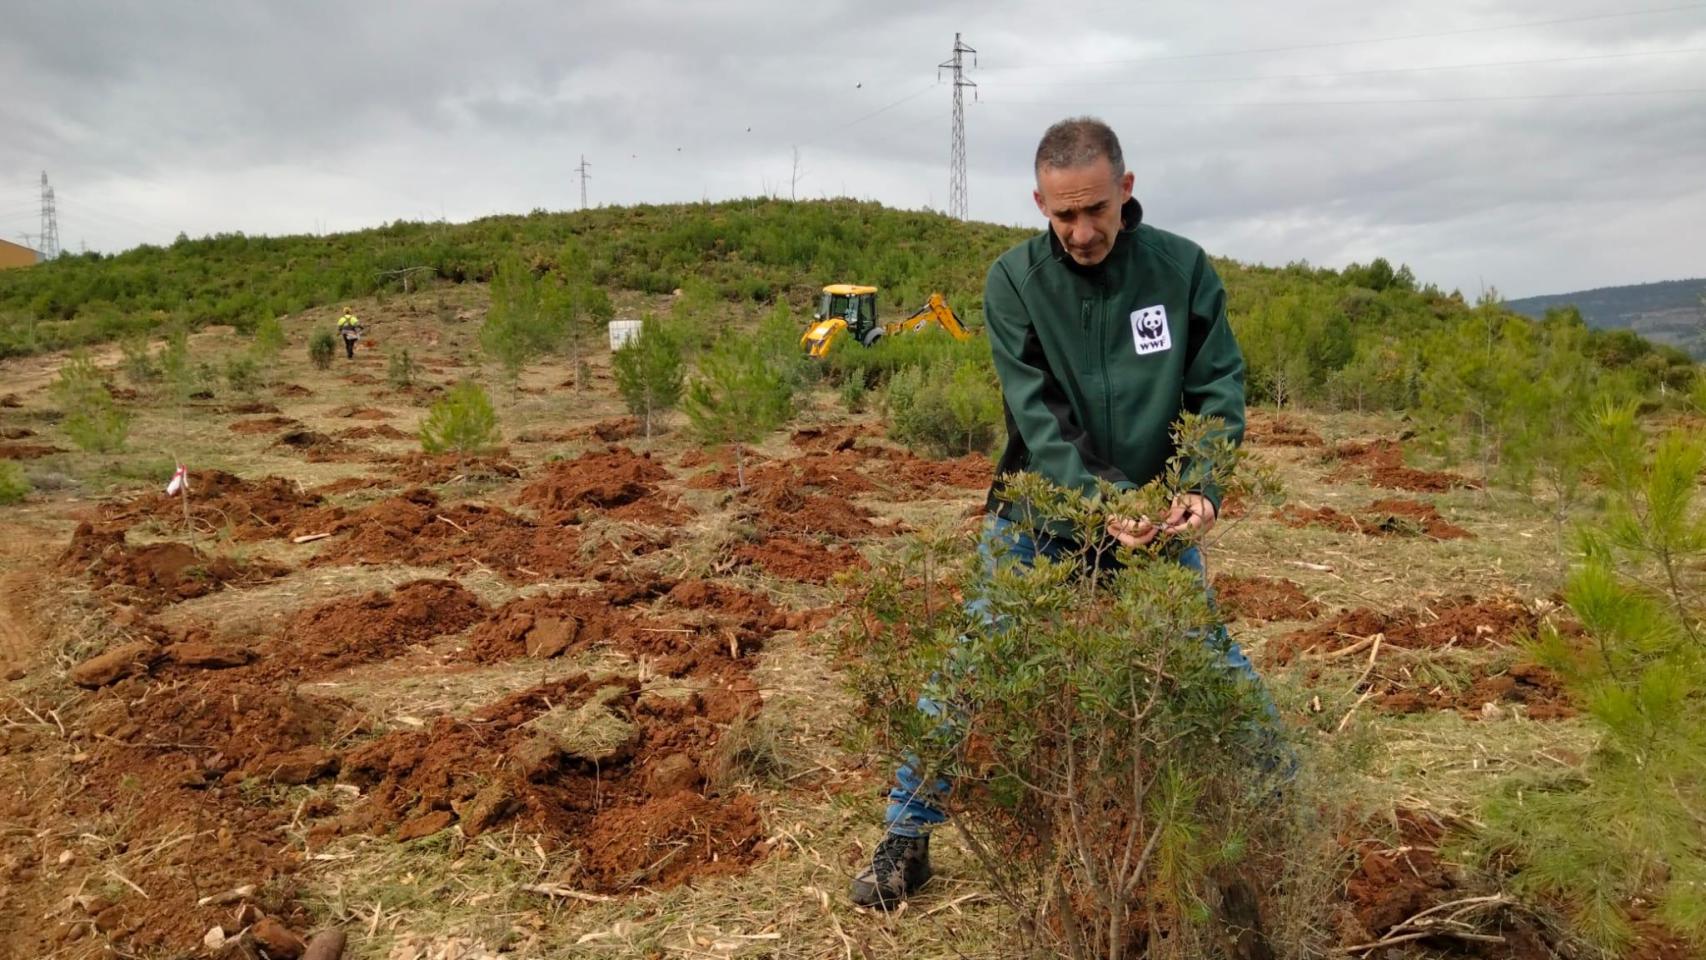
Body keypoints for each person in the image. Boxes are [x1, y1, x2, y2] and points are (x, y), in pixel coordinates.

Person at [850, 116, 1278, 910]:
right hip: (1038, 520)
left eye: (1095, 211)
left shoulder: (1182, 272)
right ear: (1039, 203)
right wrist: (1105, 503)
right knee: (969, 668)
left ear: (1126, 190)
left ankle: (1286, 817)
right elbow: (1038, 416)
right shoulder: (1013, 281)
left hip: (1155, 526)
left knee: (1214, 667)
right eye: (1062, 215)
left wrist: (1199, 487)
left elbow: (1217, 390)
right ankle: (906, 839)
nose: (1081, 232)